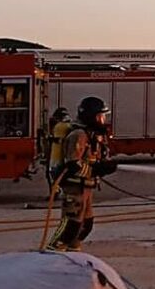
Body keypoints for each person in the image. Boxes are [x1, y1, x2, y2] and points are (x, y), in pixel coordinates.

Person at [47, 96, 117, 251]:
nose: (103, 120)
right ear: (91, 116)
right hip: (74, 187)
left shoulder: (91, 135)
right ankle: (52, 253)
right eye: (101, 116)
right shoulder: (79, 135)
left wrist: (103, 166)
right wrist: (97, 169)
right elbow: (73, 163)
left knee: (86, 224)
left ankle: (73, 252)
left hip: (86, 187)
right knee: (71, 224)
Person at [46, 107, 72, 187]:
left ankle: (55, 192)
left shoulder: (59, 126)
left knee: (54, 174)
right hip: (64, 156)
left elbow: (55, 139)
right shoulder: (69, 126)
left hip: (56, 155)